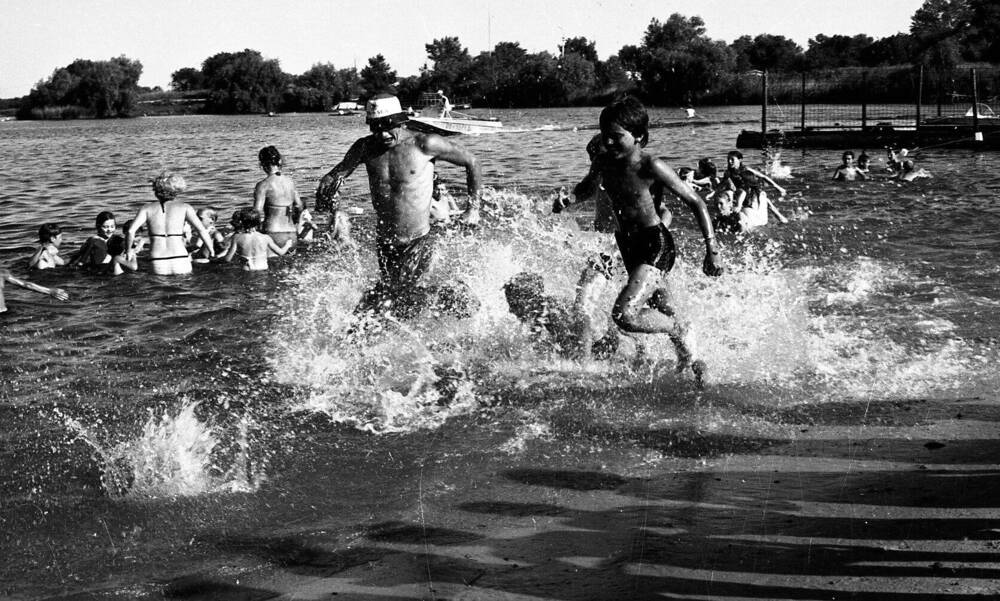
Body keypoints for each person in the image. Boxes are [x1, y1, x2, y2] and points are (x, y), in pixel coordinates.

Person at [571, 96, 724, 384]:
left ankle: (678, 330)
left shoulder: (650, 165)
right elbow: (587, 187)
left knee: (625, 314)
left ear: (639, 136)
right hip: (626, 245)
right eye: (605, 136)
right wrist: (569, 198)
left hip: (655, 244)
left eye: (616, 137)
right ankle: (693, 363)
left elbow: (696, 202)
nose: (609, 143)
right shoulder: (604, 162)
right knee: (664, 307)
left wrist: (712, 249)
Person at [315, 93, 482, 319]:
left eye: (389, 127)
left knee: (393, 296)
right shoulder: (365, 148)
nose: (383, 134)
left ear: (401, 122)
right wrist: (329, 205)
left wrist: (473, 208)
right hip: (385, 242)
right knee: (400, 302)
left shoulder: (424, 144)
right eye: (376, 128)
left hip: (418, 239)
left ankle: (454, 297)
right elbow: (335, 176)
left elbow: (472, 162)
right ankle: (441, 309)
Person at [503, 257, 636, 361]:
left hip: (605, 341)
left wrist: (584, 363)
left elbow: (584, 321)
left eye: (515, 305)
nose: (511, 310)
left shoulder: (553, 311)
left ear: (529, 301)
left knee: (571, 354)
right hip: (604, 333)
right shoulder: (541, 311)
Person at [126, 173, 216, 275]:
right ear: (176, 191)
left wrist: (128, 251)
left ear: (156, 191)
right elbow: (201, 230)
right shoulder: (185, 207)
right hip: (181, 259)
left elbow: (130, 231)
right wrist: (211, 250)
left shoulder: (146, 208)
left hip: (157, 261)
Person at [253, 145, 304, 254]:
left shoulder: (263, 185)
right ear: (279, 161)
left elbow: (256, 212)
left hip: (273, 233)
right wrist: (295, 221)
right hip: (291, 234)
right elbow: (299, 206)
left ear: (262, 164)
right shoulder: (290, 182)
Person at [720, 150, 788, 227]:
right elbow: (722, 183)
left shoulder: (746, 169)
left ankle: (780, 218)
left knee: (765, 202)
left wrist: (777, 187)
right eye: (728, 159)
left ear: (739, 160)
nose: (729, 161)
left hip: (753, 190)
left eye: (732, 159)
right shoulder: (728, 172)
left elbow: (763, 177)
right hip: (741, 192)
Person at [222, 207, 293, 271]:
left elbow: (227, 259)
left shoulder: (236, 237)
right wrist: (288, 244)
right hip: (262, 270)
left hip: (246, 271)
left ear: (241, 222)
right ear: (258, 222)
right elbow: (281, 252)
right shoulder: (266, 238)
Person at [1, 268, 69, 313]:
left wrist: (50, 291)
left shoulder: (2, 273)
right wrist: (49, 291)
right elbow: (25, 284)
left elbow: (26, 284)